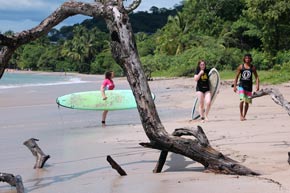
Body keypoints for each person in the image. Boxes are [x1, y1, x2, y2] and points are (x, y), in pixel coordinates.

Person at [233, 54, 259, 121]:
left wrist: (257, 85)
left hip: (249, 86)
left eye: (248, 58)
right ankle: (241, 115)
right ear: (244, 59)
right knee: (242, 100)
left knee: (247, 102)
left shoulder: (252, 67)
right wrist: (235, 86)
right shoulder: (241, 67)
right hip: (241, 85)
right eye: (246, 58)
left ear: (250, 59)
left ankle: (244, 115)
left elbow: (256, 77)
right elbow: (236, 77)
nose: (247, 59)